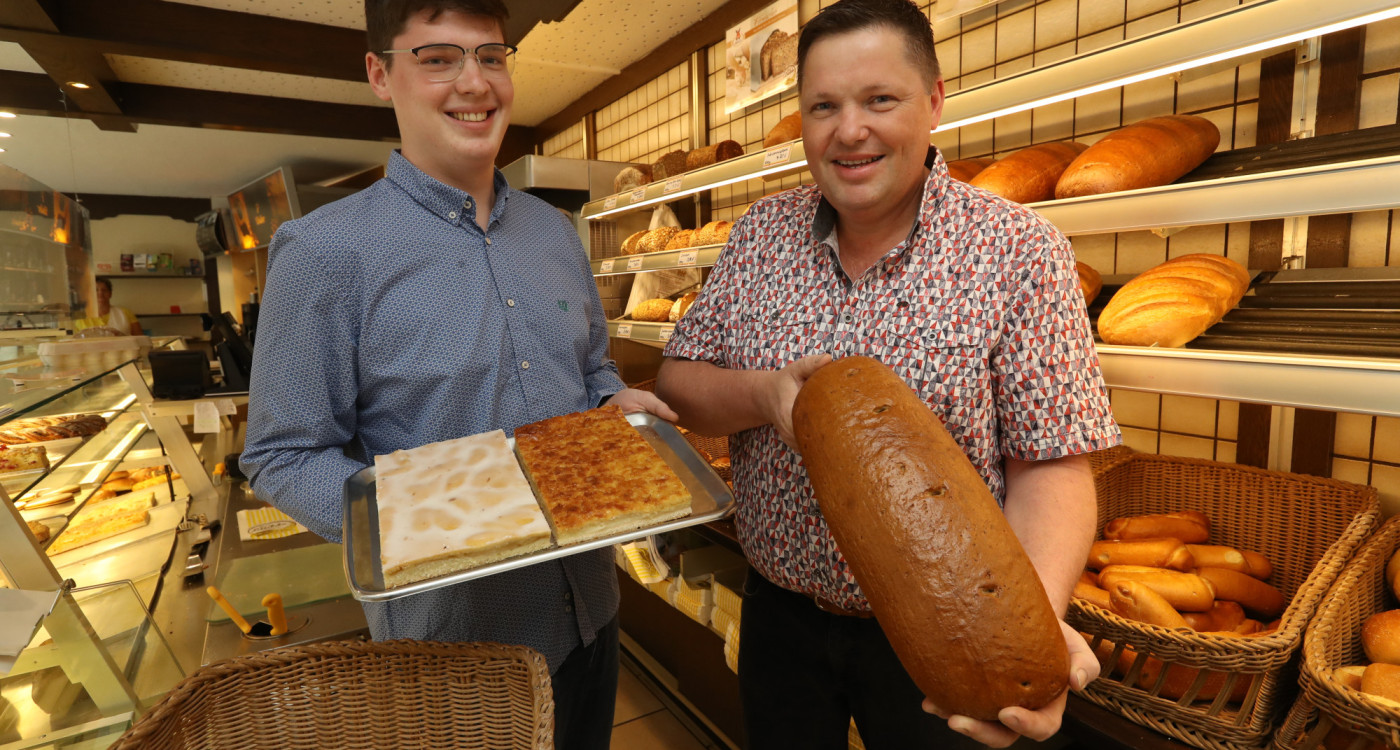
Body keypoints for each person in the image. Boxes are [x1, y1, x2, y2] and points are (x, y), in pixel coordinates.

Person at [656, 0, 1122, 747]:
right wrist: (767, 397)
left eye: (881, 99)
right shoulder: (760, 235)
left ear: (934, 100)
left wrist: (1031, 621)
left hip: (942, 634)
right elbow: (680, 383)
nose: (849, 131)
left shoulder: (1019, 250)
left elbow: (1053, 464)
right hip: (779, 613)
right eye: (824, 106)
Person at [238, 3, 674, 749]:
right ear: (380, 74)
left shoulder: (553, 231)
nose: (474, 82)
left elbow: (592, 367)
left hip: (592, 619)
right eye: (438, 58)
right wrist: (411, 524)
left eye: (491, 57)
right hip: (453, 664)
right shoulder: (323, 253)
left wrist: (614, 401)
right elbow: (281, 455)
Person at [73, 278, 142, 335]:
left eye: (104, 290)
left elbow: (140, 339)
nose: (100, 293)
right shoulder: (78, 317)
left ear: (110, 294)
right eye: (96, 290)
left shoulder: (125, 313)